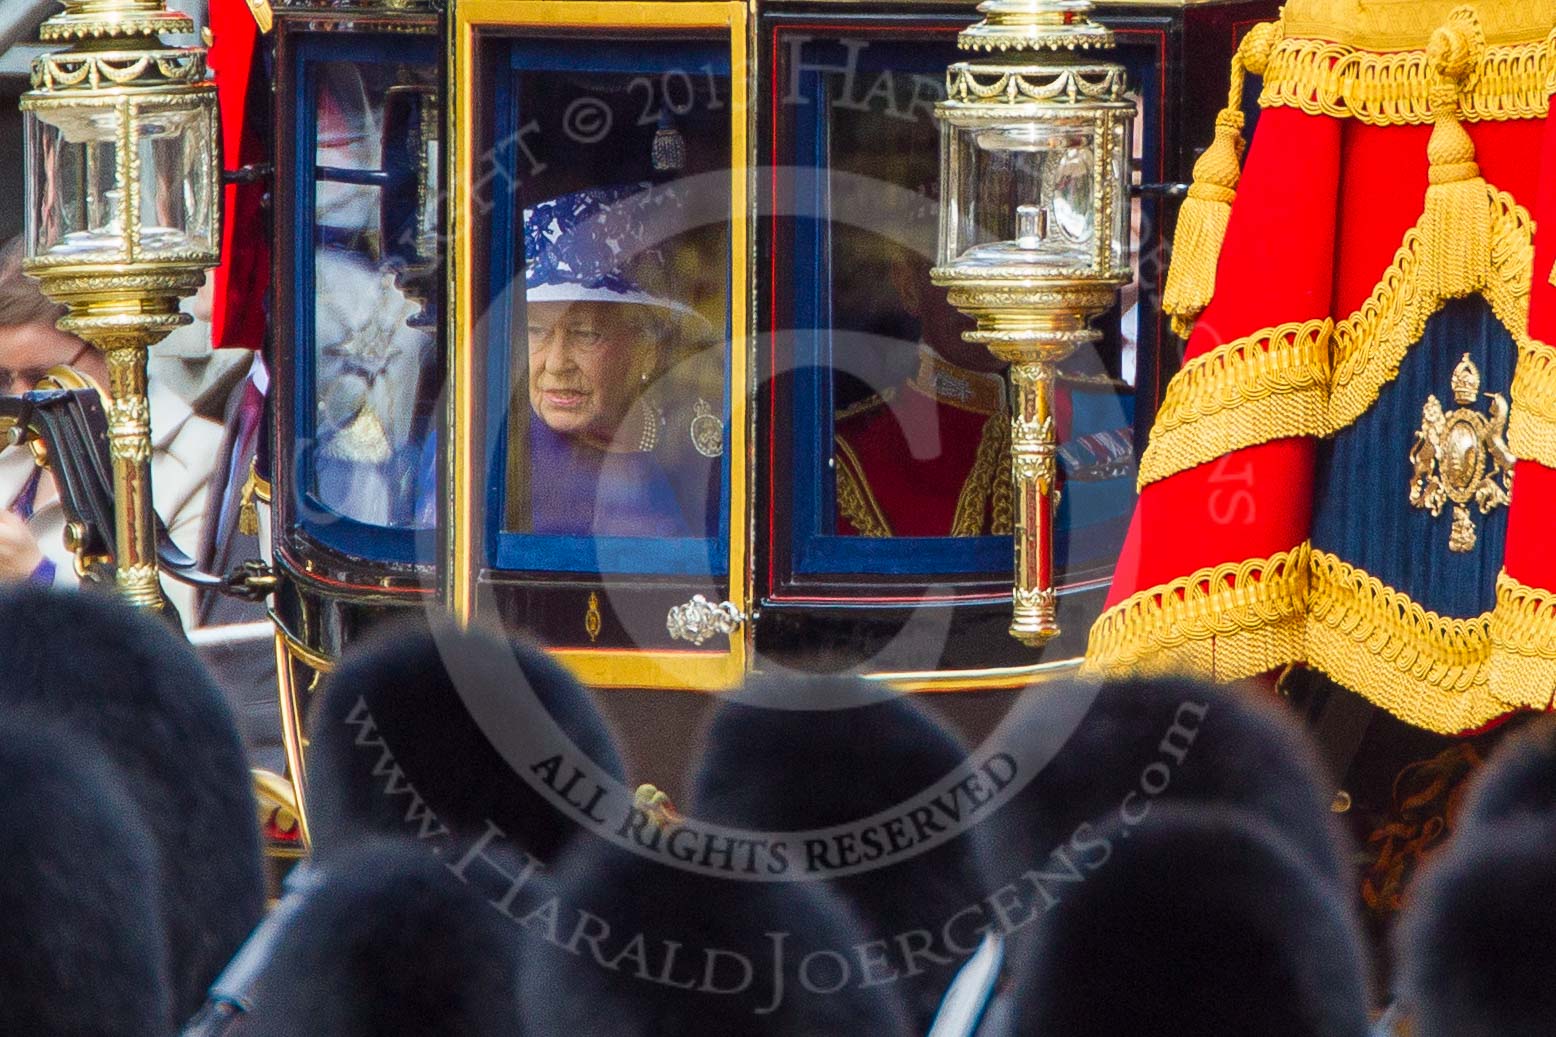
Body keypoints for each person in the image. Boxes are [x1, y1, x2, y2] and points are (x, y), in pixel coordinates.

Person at [833, 246, 1135, 539]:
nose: (984, 293)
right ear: (910, 286)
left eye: (1005, 262)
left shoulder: (1118, 412)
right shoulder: (854, 450)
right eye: (959, 264)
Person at [0, 237, 224, 624]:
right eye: (5, 377)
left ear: (115, 349)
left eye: (39, 376)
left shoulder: (202, 459)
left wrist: (39, 579)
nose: (21, 398)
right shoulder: (12, 456)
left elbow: (177, 648)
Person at [509, 183, 724, 538]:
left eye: (586, 335)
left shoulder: (701, 448)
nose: (556, 363)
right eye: (536, 331)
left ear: (647, 348)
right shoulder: (491, 449)